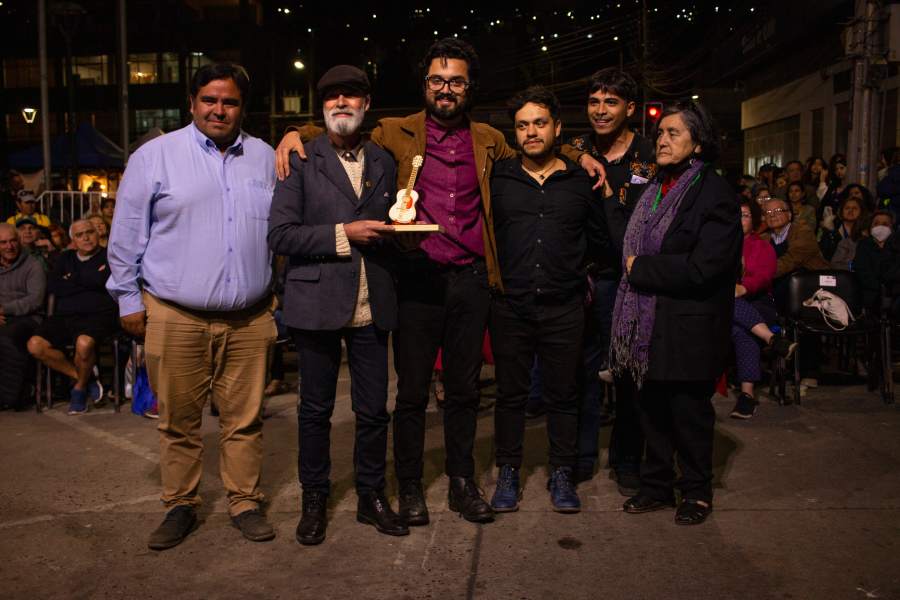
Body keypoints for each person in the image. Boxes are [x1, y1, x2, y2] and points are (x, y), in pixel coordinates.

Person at [274, 38, 606, 526]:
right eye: (436, 80)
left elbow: (538, 144)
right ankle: (409, 485)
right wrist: (291, 132)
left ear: (469, 87)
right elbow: (340, 126)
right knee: (409, 393)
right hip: (416, 279)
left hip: (471, 280)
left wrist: (579, 152)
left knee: (466, 391)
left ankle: (461, 481)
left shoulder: (490, 139)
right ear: (424, 85)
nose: (445, 89)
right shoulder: (395, 131)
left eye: (455, 81)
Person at [107, 63, 278, 549]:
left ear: (242, 108)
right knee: (179, 423)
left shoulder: (265, 157)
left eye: (229, 102)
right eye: (209, 100)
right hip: (174, 315)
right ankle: (180, 505)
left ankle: (244, 501)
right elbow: (125, 234)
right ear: (192, 103)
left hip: (249, 317)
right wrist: (126, 297)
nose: (218, 109)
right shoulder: (155, 157)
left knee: (245, 420)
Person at [268, 65, 408, 545]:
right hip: (318, 301)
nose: (342, 103)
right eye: (333, 98)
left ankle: (370, 496)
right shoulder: (302, 158)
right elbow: (280, 234)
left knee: (373, 411)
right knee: (314, 410)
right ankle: (314, 500)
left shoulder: (385, 161)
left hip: (373, 302)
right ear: (322, 108)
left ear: (367, 105)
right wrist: (342, 234)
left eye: (352, 96)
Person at [612, 101, 741, 526]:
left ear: (698, 142)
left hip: (689, 326)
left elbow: (706, 267)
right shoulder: (657, 186)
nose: (661, 141)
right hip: (651, 324)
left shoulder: (714, 193)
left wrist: (639, 269)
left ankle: (697, 492)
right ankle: (656, 486)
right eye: (660, 133)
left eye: (673, 133)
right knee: (651, 411)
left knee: (688, 414)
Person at [487, 87, 607, 514]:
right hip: (510, 306)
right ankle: (507, 471)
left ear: (557, 128)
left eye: (540, 123)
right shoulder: (498, 177)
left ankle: (562, 472)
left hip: (564, 306)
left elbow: (598, 240)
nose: (531, 132)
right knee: (511, 395)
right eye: (522, 125)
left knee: (563, 394)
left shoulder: (581, 181)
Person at [561, 67, 653, 493]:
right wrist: (577, 155)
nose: (600, 110)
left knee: (631, 373)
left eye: (611, 102)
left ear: (630, 108)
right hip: (587, 280)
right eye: (594, 102)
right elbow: (536, 144)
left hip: (634, 282)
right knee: (584, 372)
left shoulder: (651, 155)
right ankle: (581, 456)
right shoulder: (574, 148)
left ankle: (627, 460)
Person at [26, 220, 114, 414]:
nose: (86, 238)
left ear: (97, 234)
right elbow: (54, 286)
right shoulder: (65, 258)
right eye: (80, 235)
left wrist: (72, 279)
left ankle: (79, 389)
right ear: (73, 239)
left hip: (97, 316)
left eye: (90, 232)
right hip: (64, 317)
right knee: (35, 345)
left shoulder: (109, 257)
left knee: (83, 344)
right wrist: (89, 281)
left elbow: (103, 282)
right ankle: (86, 377)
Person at [730, 198, 796, 419]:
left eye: (745, 215)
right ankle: (774, 341)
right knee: (731, 309)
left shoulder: (762, 246)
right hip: (725, 306)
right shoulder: (720, 244)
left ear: (754, 220)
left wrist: (743, 288)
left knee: (742, 330)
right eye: (736, 214)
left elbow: (764, 276)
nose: (740, 219)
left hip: (757, 303)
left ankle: (746, 395)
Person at [0, 223, 46, 410]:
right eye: (3, 243)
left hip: (28, 318)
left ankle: (12, 395)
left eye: (12, 241)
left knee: (5, 338)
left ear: (19, 241)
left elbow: (35, 300)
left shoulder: (33, 265)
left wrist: (3, 309)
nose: (9, 246)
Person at [820, 196, 866, 263]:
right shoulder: (831, 228)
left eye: (855, 208)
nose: (850, 211)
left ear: (861, 212)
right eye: (847, 208)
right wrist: (831, 233)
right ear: (841, 211)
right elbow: (825, 253)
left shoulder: (865, 231)